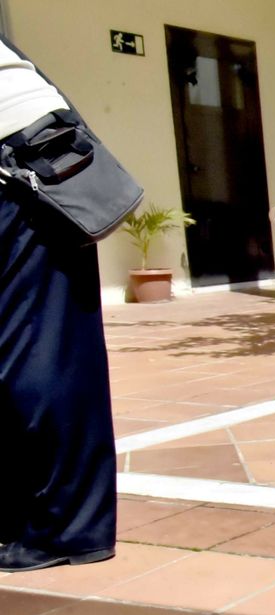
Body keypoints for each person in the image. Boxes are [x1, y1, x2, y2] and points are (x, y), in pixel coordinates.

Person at [0, 35, 122, 571]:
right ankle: (54, 520)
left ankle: (65, 529)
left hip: (21, 167)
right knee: (48, 345)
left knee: (37, 351)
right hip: (39, 152)